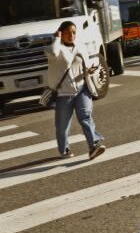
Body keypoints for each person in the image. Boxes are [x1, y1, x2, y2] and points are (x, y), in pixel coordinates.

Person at [45, 20, 107, 160]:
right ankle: (64, 149)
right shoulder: (54, 48)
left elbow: (83, 66)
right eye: (67, 33)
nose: (71, 35)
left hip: (81, 89)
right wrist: (56, 38)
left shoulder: (80, 46)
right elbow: (54, 53)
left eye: (73, 32)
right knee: (62, 125)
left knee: (85, 117)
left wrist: (89, 70)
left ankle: (93, 146)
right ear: (61, 33)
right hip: (63, 94)